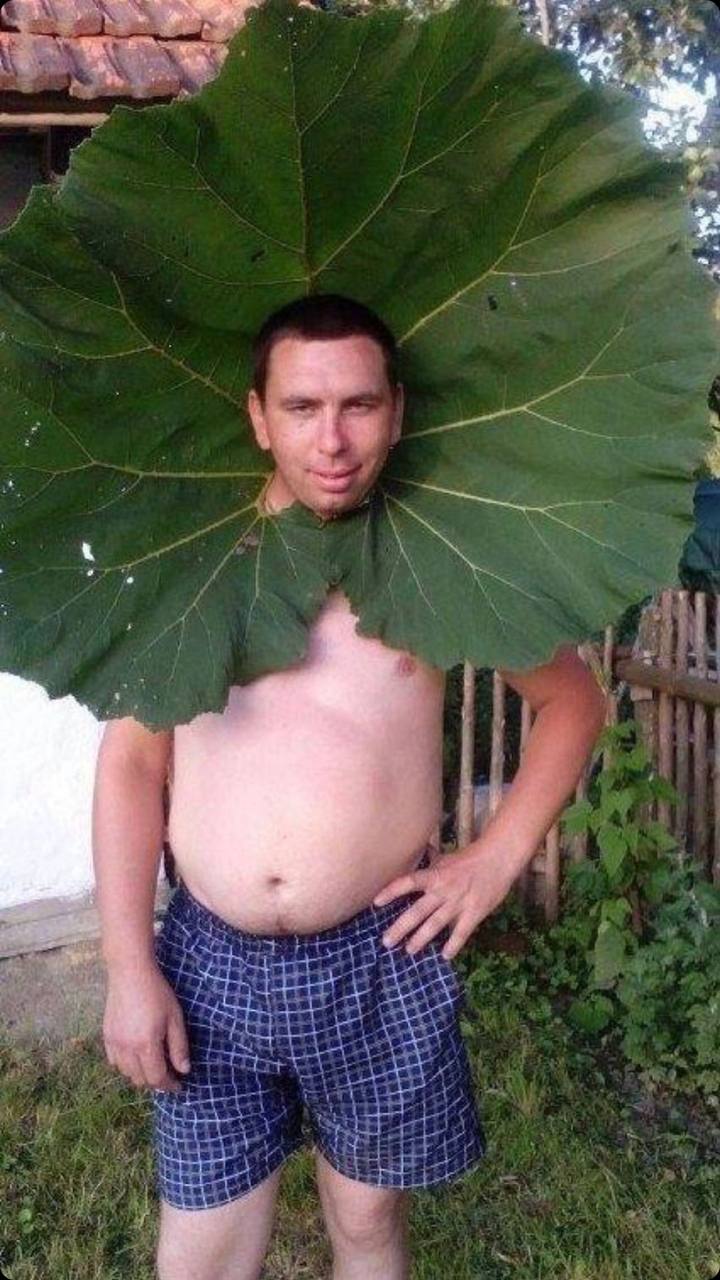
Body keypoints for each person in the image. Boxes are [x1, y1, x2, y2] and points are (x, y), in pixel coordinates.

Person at [93, 294, 608, 1280]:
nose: (332, 439)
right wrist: (127, 962)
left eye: (359, 405)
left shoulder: (441, 564)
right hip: (207, 961)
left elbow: (573, 704)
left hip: (378, 957)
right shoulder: (195, 569)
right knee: (200, 1249)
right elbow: (131, 764)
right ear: (257, 416)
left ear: (398, 411)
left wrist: (493, 860)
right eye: (301, 407)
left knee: (367, 1223)